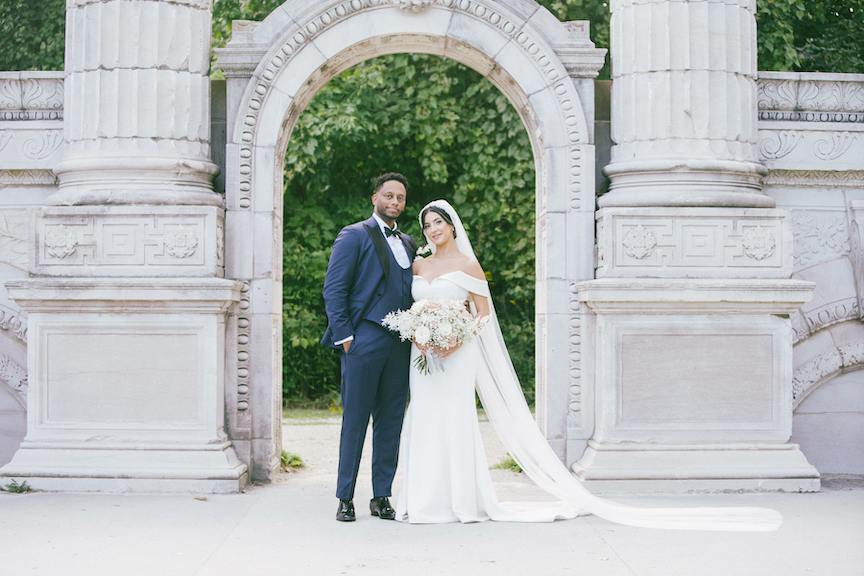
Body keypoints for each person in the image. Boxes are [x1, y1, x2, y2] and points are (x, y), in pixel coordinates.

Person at [395, 199, 783, 531]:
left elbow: (482, 315)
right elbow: (413, 308)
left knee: (454, 420)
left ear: (451, 226)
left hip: (457, 354)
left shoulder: (468, 265)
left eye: (438, 223)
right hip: (422, 355)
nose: (432, 230)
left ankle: (460, 502)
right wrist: (418, 334)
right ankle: (422, 500)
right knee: (424, 418)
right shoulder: (418, 266)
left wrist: (454, 339)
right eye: (427, 225)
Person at [321, 173, 418, 522]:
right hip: (363, 340)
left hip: (400, 344)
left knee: (391, 422)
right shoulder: (354, 234)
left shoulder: (409, 242)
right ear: (374, 198)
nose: (395, 202)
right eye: (389, 195)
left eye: (401, 198)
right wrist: (346, 337)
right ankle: (345, 497)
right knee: (356, 420)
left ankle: (381, 496)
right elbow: (334, 290)